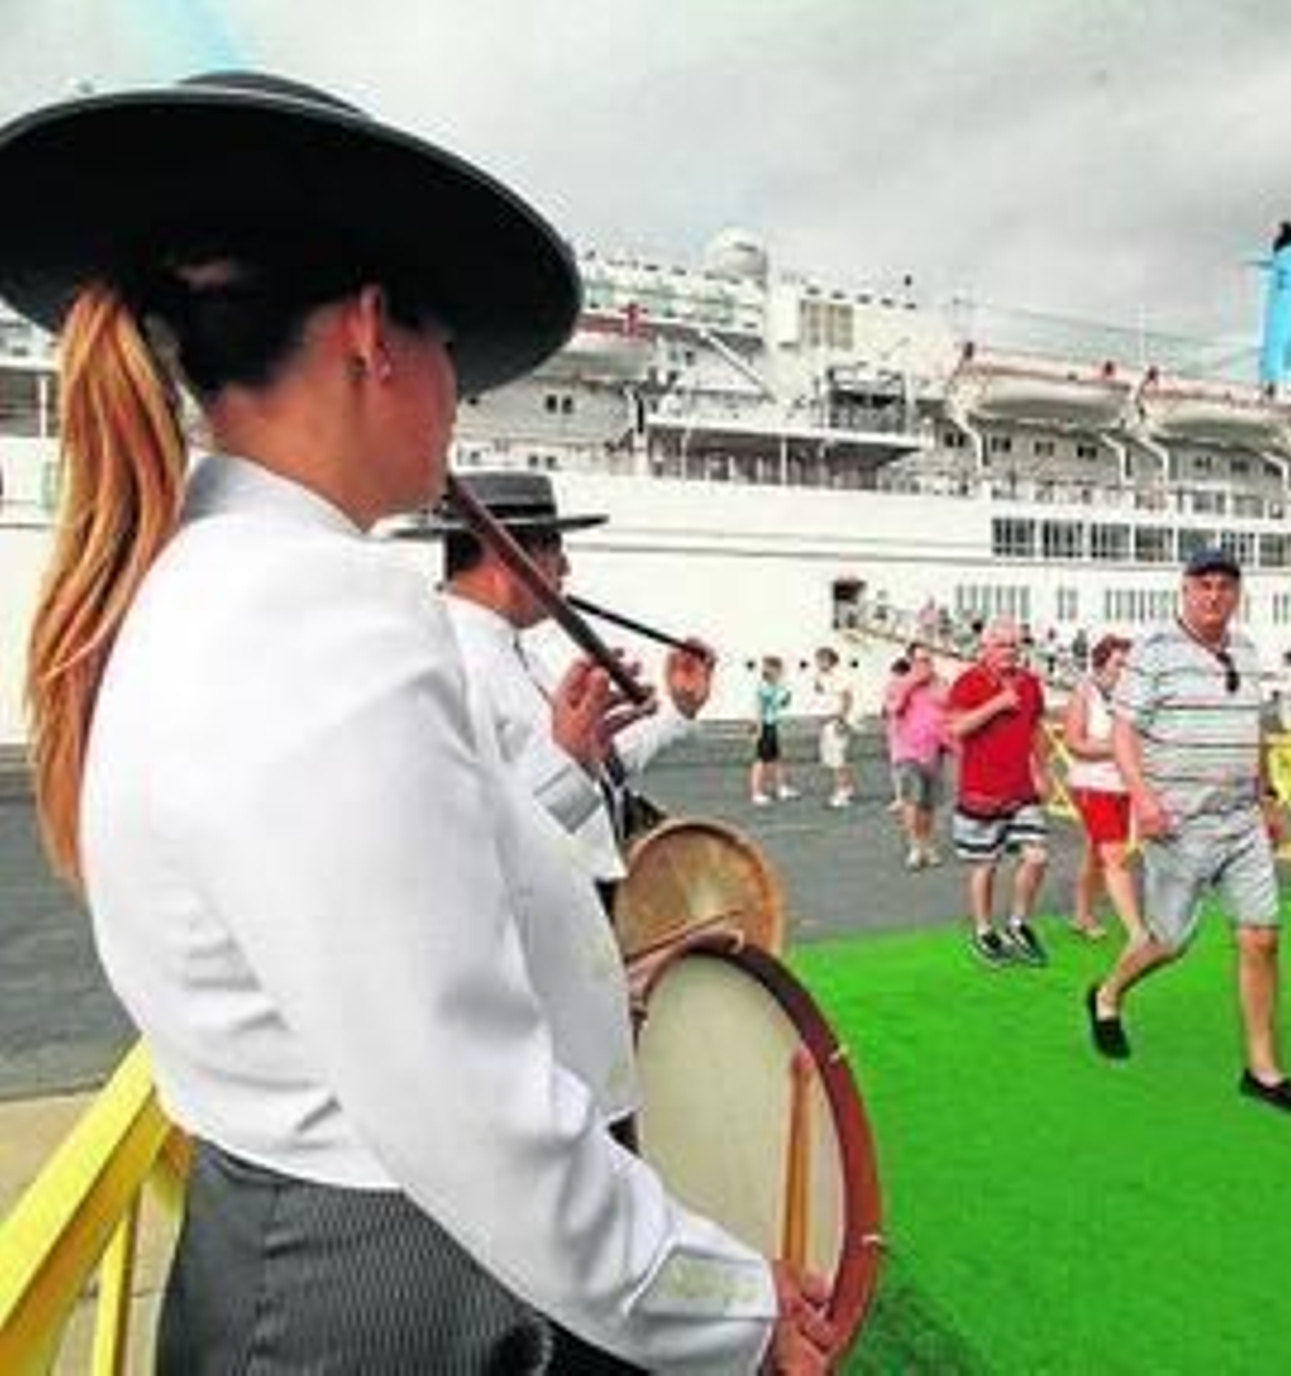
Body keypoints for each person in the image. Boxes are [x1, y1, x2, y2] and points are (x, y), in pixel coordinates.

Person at [4, 72, 831, 1371]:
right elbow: (462, 1106)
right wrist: (729, 1305)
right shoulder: (315, 621)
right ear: (374, 335)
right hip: (408, 1282)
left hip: (349, 1245)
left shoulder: (224, 587)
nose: (459, 394)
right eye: (455, 350)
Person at [1087, 547, 1291, 1122]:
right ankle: (1107, 994)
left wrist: (1269, 796)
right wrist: (1143, 800)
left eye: (1225, 584)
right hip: (1178, 823)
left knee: (1262, 937)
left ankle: (1263, 1070)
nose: (1214, 594)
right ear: (1185, 590)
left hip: (1241, 818)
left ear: (1237, 593)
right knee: (1168, 942)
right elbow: (1124, 733)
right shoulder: (1153, 651)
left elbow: (1254, 729)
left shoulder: (1245, 649)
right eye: (1203, 584)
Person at [440, 469, 714, 897]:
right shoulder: (451, 663)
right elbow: (468, 845)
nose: (566, 567)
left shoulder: (519, 656)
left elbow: (597, 771)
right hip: (536, 921)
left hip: (580, 901)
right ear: (506, 556)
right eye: (554, 548)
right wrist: (570, 761)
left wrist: (678, 711)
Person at [946, 618, 1052, 966]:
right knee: (986, 864)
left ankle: (1018, 923)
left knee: (1036, 857)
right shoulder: (969, 681)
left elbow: (1036, 728)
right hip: (981, 791)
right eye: (1003, 645)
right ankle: (983, 930)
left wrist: (1043, 769)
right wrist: (997, 704)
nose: (1011, 652)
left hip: (1022, 789)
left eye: (1015, 645)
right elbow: (955, 728)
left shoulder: (1031, 683)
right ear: (986, 648)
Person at [1060, 633, 1142, 943]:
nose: (1126, 670)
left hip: (1123, 785)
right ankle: (1137, 931)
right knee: (1115, 856)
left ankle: (1082, 914)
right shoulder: (1085, 691)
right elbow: (1073, 743)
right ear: (1102, 663)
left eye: (1129, 665)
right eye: (1120, 663)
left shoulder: (1133, 697)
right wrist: (1118, 747)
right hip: (1092, 784)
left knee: (1097, 854)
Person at [883, 641, 949, 869]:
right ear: (910, 661)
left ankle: (927, 843)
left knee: (929, 804)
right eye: (920, 660)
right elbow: (893, 709)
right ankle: (914, 846)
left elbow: (950, 710)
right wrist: (911, 684)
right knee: (912, 800)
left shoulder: (941, 683)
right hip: (907, 751)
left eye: (929, 660)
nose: (925, 665)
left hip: (935, 751)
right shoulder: (899, 683)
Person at [750, 653, 800, 804]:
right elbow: (759, 709)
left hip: (771, 726)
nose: (780, 672)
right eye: (778, 669)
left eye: (780, 670)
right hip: (764, 727)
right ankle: (756, 793)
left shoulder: (774, 686)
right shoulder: (764, 687)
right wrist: (757, 730)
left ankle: (781, 788)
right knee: (760, 761)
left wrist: (786, 698)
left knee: (776, 759)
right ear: (771, 670)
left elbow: (780, 704)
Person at [812, 645, 856, 807]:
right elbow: (822, 696)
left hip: (835, 721)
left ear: (830, 660)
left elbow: (847, 699)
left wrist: (841, 721)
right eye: (818, 660)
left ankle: (842, 793)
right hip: (826, 722)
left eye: (822, 660)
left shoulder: (840, 676)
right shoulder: (822, 676)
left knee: (837, 760)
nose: (819, 663)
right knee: (832, 759)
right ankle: (847, 787)